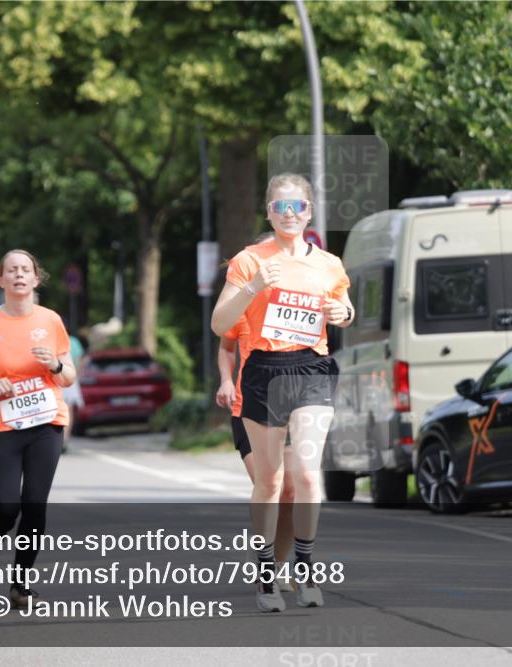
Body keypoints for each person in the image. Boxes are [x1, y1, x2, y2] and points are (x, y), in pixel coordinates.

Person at [211, 173, 354, 612]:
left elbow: (344, 310)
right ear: (269, 212)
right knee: (271, 481)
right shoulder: (249, 260)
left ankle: (307, 570)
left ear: (308, 211)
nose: (289, 214)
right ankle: (266, 576)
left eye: (297, 207)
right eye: (280, 207)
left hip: (312, 367)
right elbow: (220, 325)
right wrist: (253, 287)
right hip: (264, 373)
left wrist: (342, 313)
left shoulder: (329, 264)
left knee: (308, 475)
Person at [0, 249, 76, 608]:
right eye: (11, 270)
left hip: (46, 422)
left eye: (25, 269)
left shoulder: (51, 320)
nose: (18, 275)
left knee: (34, 505)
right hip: (2, 424)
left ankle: (21, 583)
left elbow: (70, 376)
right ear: (1, 281)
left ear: (35, 278)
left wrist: (56, 365)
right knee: (6, 504)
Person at [216, 313, 295, 591]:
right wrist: (226, 380)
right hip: (248, 409)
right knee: (269, 481)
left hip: (292, 409)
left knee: (291, 492)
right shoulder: (244, 302)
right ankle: (265, 560)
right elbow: (226, 347)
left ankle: (278, 562)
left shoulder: (297, 297)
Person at [60, 330, 85, 449]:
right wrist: (77, 377)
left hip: (56, 378)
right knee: (68, 411)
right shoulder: (74, 341)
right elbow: (80, 362)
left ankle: (60, 439)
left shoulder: (52, 338)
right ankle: (65, 438)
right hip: (70, 379)